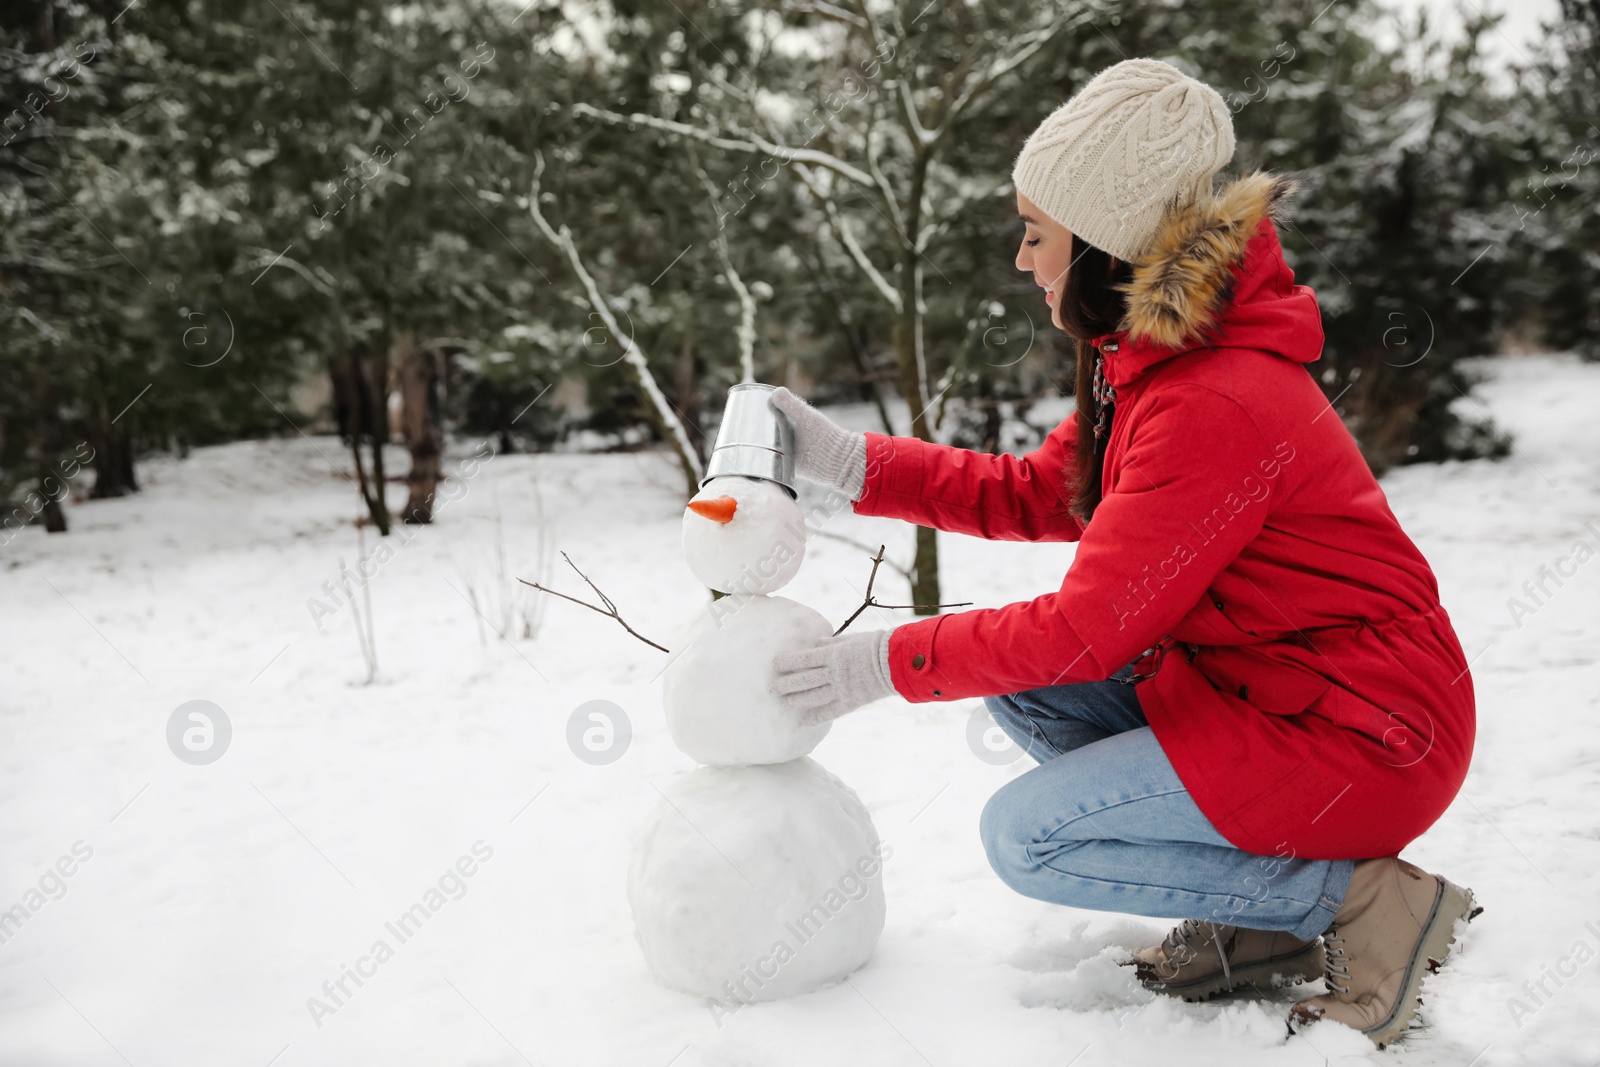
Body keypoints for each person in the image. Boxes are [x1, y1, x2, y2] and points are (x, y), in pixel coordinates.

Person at [766, 57, 1479, 1047]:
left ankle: (1359, 900)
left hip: (1364, 733)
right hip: (1275, 694)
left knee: (1030, 836)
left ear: (1104, 243)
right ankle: (1261, 915)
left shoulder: (1211, 400)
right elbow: (1042, 492)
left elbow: (1088, 631)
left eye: (1035, 233)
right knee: (1023, 686)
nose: (1023, 259)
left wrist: (875, 664)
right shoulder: (1146, 366)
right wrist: (847, 460)